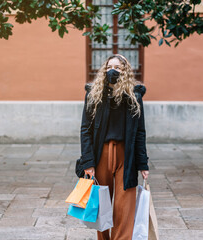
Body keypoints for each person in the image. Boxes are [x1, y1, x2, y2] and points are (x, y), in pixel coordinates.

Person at [77, 54, 149, 240]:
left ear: (125, 71)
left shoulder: (134, 96)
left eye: (118, 67)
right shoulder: (94, 95)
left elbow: (140, 132)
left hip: (126, 155)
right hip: (101, 154)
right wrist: (88, 162)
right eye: (109, 66)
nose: (113, 70)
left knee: (124, 206)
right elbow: (86, 129)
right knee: (101, 204)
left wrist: (143, 164)